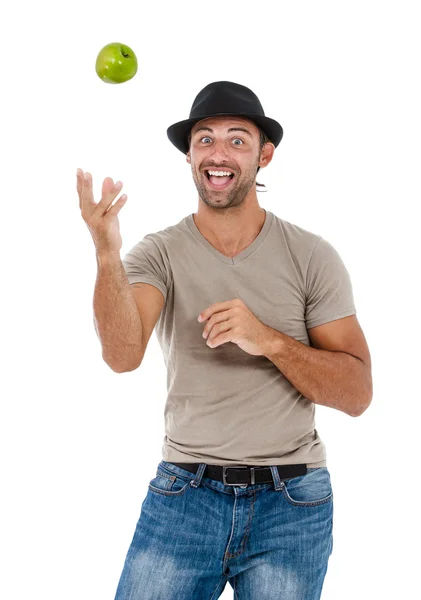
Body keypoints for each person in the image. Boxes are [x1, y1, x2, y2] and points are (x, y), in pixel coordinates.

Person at [77, 81, 373, 599]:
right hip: (183, 496)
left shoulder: (311, 256)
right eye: (205, 139)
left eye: (238, 140)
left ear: (265, 155)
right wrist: (106, 253)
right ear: (189, 156)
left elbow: (357, 393)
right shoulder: (159, 253)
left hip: (293, 503)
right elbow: (122, 357)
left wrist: (270, 341)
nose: (219, 153)